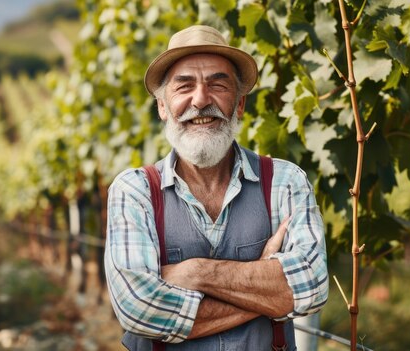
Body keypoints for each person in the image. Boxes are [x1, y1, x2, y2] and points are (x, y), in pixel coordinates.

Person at [104, 25, 328, 351]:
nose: (200, 99)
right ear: (163, 107)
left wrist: (195, 272)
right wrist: (268, 289)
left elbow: (313, 287)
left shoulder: (286, 181)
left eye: (217, 84)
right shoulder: (134, 191)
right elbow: (138, 309)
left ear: (239, 104)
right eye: (184, 87)